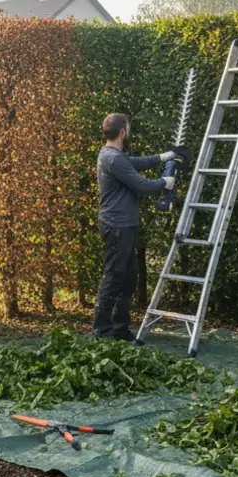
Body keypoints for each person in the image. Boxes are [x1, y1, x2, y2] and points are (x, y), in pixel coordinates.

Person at [95, 113, 176, 340]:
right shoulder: (112, 158)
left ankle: (120, 328)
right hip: (116, 225)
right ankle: (102, 331)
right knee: (113, 277)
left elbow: (136, 163)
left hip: (125, 225)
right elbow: (140, 185)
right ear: (122, 132)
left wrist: (162, 157)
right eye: (127, 129)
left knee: (128, 278)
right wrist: (164, 182)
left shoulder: (113, 155)